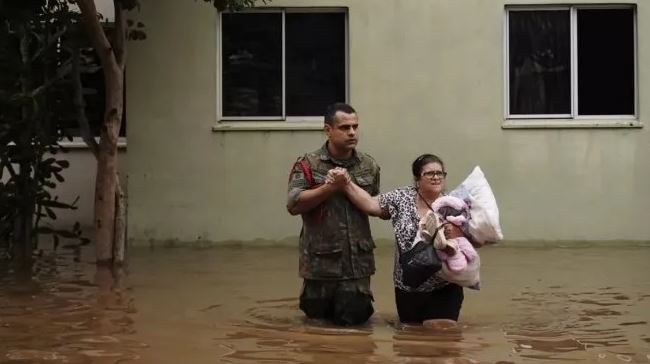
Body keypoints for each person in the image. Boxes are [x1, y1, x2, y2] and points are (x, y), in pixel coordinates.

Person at [330, 154, 475, 325]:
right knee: (411, 340)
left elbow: (474, 239)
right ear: (417, 179)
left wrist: (456, 233)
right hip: (408, 287)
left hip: (444, 286)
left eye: (440, 173)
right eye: (429, 173)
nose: (436, 177)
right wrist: (345, 184)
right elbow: (370, 204)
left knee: (442, 334)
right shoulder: (401, 198)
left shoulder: (454, 204)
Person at [286, 102, 381, 326]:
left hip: (357, 265)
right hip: (320, 264)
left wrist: (348, 185)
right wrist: (330, 188)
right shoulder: (308, 164)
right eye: (345, 127)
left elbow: (374, 204)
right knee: (316, 329)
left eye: (355, 127)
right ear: (328, 130)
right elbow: (293, 204)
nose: (352, 133)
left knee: (356, 330)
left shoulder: (368, 165)